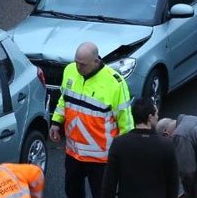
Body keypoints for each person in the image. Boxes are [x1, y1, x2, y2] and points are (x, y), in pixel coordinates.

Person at [52, 42, 136, 198]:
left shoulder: (115, 84)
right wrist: (56, 122)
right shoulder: (70, 70)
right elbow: (64, 100)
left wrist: (123, 155)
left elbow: (126, 123)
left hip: (100, 159)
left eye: (82, 65)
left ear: (96, 61)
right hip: (73, 152)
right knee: (72, 192)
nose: (78, 68)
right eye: (76, 62)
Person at [100, 100, 178, 198]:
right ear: (150, 117)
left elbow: (109, 184)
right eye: (156, 114)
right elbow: (172, 183)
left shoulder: (119, 143)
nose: (157, 117)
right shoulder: (166, 145)